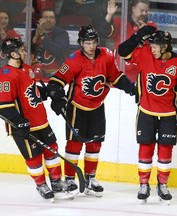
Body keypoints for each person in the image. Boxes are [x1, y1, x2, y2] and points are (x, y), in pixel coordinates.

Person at [46, 25, 137, 197]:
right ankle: (70, 179)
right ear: (81, 43)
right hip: (77, 108)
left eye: (93, 42)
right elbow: (57, 80)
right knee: (74, 144)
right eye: (87, 43)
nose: (91, 46)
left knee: (95, 143)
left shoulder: (107, 56)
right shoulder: (74, 59)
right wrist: (57, 96)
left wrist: (129, 87)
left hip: (97, 107)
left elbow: (115, 77)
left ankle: (90, 179)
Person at [118, 27, 177, 204]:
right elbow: (122, 51)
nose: (152, 49)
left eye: (155, 46)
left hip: (169, 113)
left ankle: (162, 184)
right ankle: (144, 184)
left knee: (165, 150)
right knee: (145, 148)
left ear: (165, 47)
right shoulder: (145, 54)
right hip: (146, 111)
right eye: (150, 46)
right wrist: (137, 36)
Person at [0, 37, 75, 200]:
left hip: (41, 121)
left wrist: (48, 93)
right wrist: (18, 121)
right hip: (24, 126)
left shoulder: (26, 68)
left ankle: (56, 182)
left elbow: (31, 91)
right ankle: (41, 184)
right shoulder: (5, 76)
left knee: (51, 149)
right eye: (21, 49)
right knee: (34, 157)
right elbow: (5, 106)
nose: (25, 51)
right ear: (13, 54)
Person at [99, 0, 157, 82]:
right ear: (133, 9)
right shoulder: (120, 22)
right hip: (120, 74)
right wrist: (109, 14)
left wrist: (145, 34)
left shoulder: (151, 26)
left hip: (142, 75)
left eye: (146, 11)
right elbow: (104, 32)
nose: (144, 13)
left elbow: (155, 48)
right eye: (141, 10)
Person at [31, 8, 69, 78]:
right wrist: (36, 36)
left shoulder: (62, 34)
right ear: (40, 20)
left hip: (55, 72)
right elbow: (27, 52)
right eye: (46, 17)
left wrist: (42, 34)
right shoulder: (33, 33)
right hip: (35, 71)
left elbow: (57, 50)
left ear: (54, 21)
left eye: (51, 17)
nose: (48, 20)